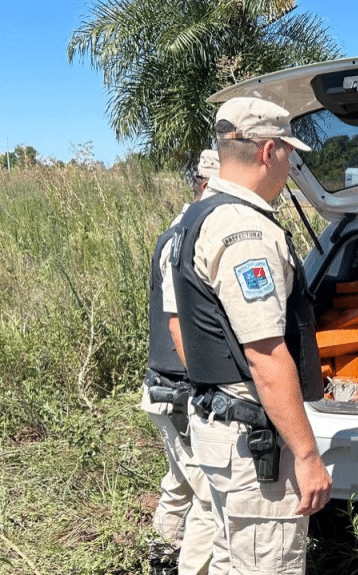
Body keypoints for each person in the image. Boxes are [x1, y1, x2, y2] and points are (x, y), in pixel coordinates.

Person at [169, 96, 331, 575]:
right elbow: (264, 352)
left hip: (221, 429)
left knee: (231, 560)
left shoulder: (197, 218)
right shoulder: (245, 231)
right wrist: (306, 455)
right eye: (287, 152)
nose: (289, 163)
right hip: (253, 445)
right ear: (268, 152)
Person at [142, 149, 219, 574]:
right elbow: (178, 323)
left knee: (179, 481)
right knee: (210, 495)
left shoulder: (175, 230)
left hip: (164, 384)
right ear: (208, 185)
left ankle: (161, 558)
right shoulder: (192, 235)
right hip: (179, 386)